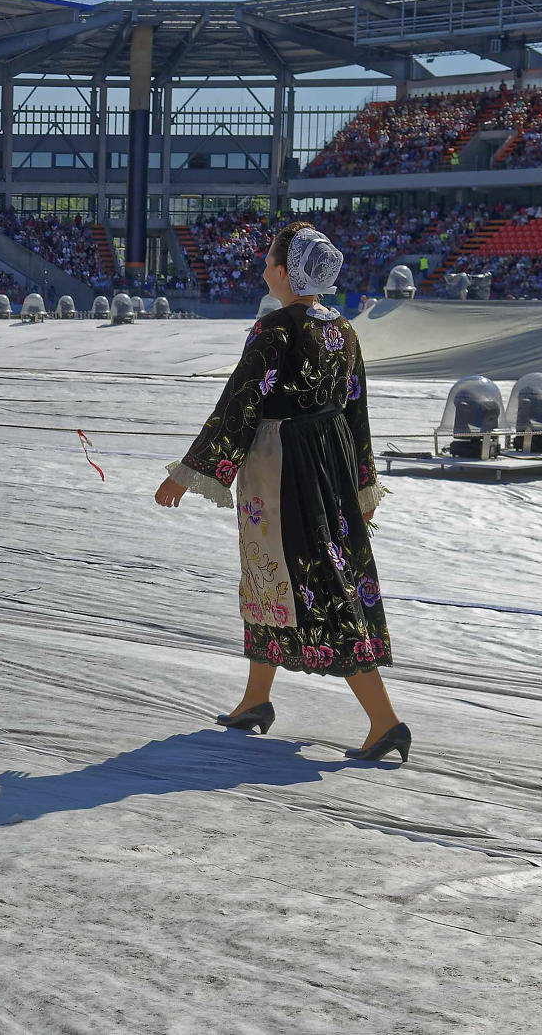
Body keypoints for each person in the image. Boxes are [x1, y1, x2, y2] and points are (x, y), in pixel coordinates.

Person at [154, 222, 410, 763]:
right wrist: (361, 482)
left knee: (310, 582)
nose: (264, 266)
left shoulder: (275, 330)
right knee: (274, 578)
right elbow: (357, 410)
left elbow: (239, 404)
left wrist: (189, 471)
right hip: (331, 462)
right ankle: (256, 699)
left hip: (282, 470)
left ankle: (385, 719)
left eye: (270, 259)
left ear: (286, 270)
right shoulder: (343, 328)